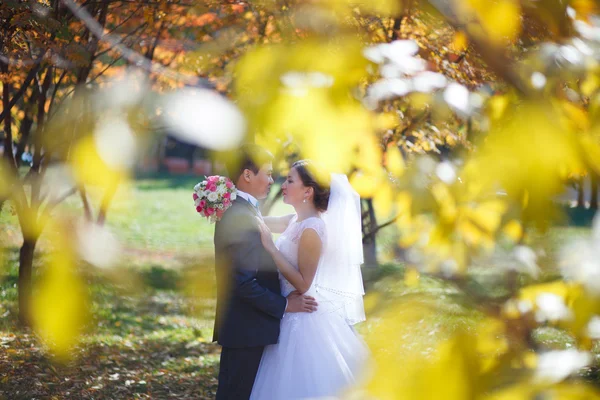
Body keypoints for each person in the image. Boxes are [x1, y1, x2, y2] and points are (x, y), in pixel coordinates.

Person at [250, 160, 368, 400]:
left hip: (301, 319)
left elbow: (304, 283)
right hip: (286, 311)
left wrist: (272, 249)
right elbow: (257, 221)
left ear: (308, 191)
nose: (283, 185)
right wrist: (225, 203)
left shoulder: (313, 229)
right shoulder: (295, 221)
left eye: (290, 180)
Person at [213, 145, 318, 400]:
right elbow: (242, 283)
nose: (273, 181)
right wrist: (285, 305)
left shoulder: (245, 210)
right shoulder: (241, 216)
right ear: (247, 175)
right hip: (247, 329)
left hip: (250, 326)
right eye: (268, 174)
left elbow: (288, 222)